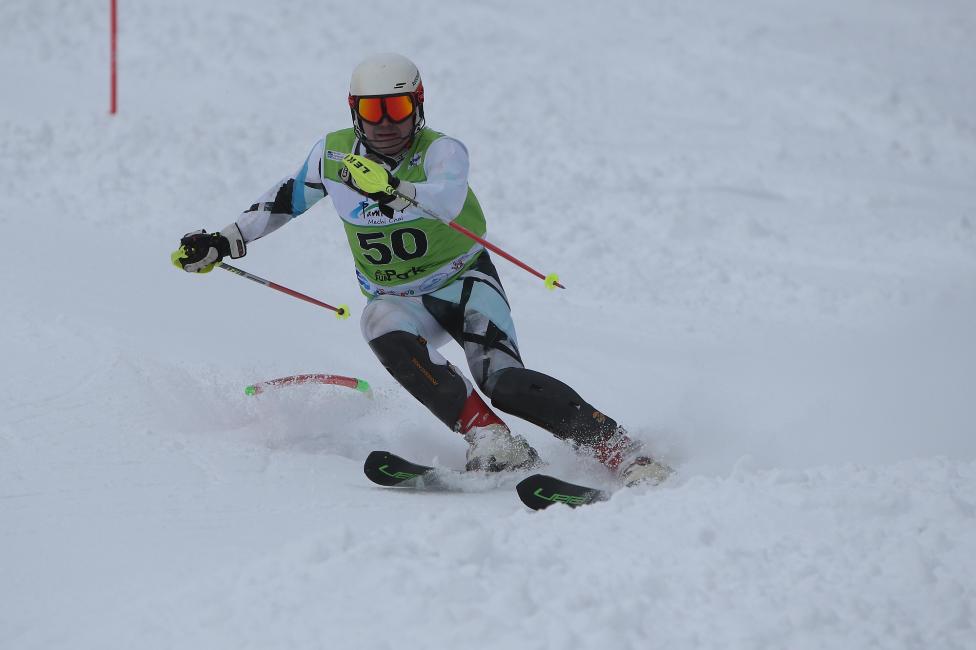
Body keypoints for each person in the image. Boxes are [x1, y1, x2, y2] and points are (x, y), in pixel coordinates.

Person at [171, 53, 671, 486]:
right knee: (378, 324)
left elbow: (447, 199)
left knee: (505, 383)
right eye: (373, 110)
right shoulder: (333, 155)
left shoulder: (441, 150)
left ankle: (624, 452)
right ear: (354, 110)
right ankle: (492, 441)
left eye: (398, 108)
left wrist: (393, 188)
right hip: (397, 297)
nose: (386, 123)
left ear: (419, 105)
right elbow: (285, 200)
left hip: (465, 284)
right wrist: (224, 241)